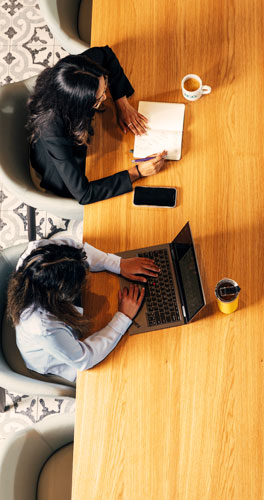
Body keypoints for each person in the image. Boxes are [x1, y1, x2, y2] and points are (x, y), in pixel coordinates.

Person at [27, 45, 167, 204]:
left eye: (105, 85)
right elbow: (84, 194)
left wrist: (122, 103)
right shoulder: (53, 129)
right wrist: (137, 172)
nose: (105, 98)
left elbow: (105, 54)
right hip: (60, 162)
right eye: (99, 99)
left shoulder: (81, 70)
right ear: (79, 105)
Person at [7, 238, 160, 382]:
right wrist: (123, 316)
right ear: (58, 295)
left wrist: (118, 264)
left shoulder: (40, 251)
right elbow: (85, 359)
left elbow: (79, 248)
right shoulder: (43, 327)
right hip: (61, 356)